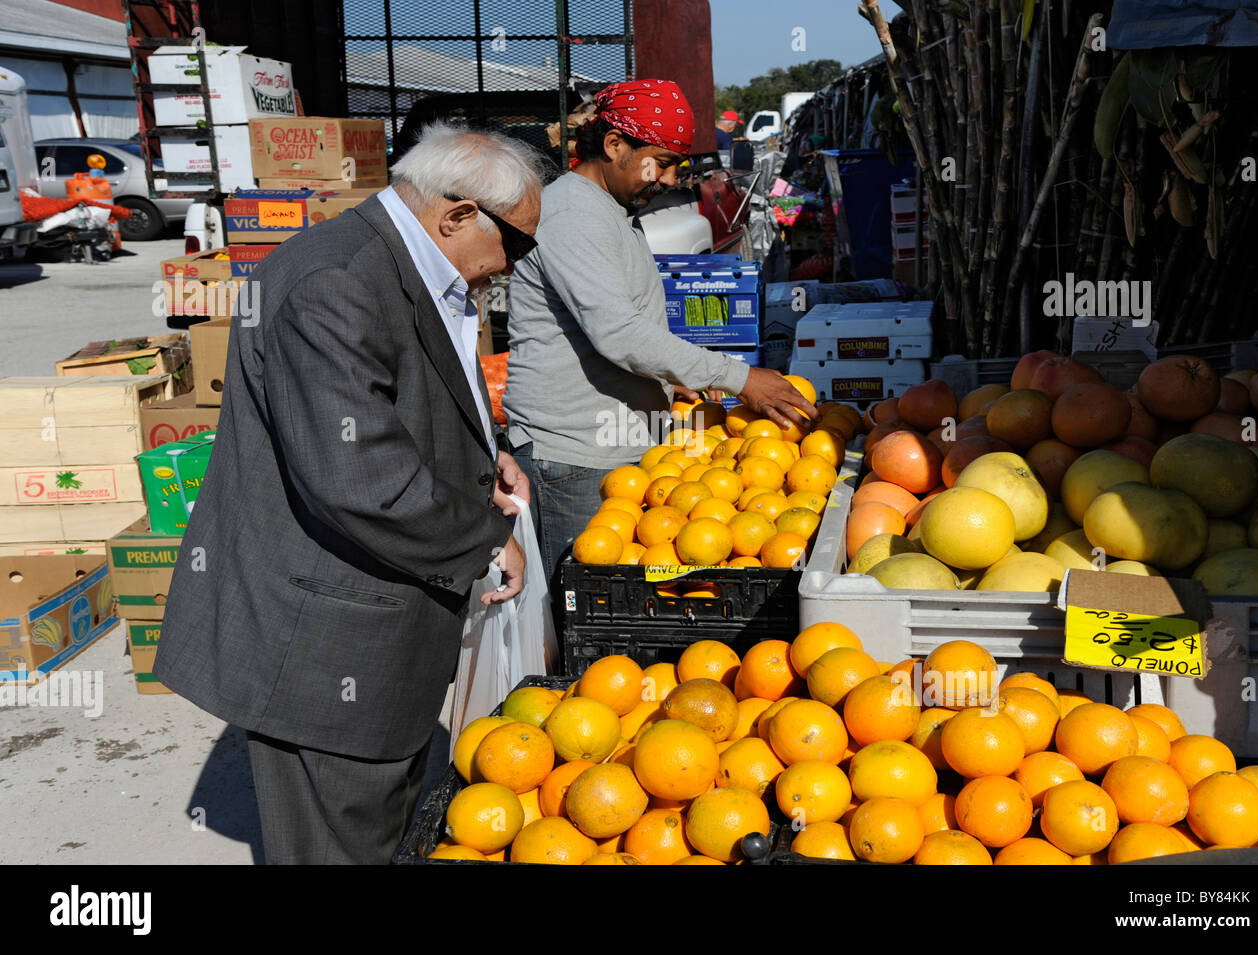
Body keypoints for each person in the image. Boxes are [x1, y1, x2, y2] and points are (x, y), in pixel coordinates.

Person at [153, 123, 546, 865]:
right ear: (457, 216)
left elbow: (417, 398)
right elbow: (362, 478)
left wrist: (484, 457)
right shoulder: (334, 281)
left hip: (376, 636)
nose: (514, 264)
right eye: (516, 245)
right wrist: (486, 540)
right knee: (338, 842)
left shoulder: (417, 267)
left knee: (380, 827)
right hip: (324, 642)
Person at [504, 79, 816, 582]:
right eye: (662, 162)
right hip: (574, 458)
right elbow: (619, 333)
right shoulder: (573, 214)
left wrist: (679, 377)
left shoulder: (608, 209)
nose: (671, 179)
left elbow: (628, 324)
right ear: (614, 146)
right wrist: (738, 376)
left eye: (677, 166)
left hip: (618, 451)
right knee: (590, 608)